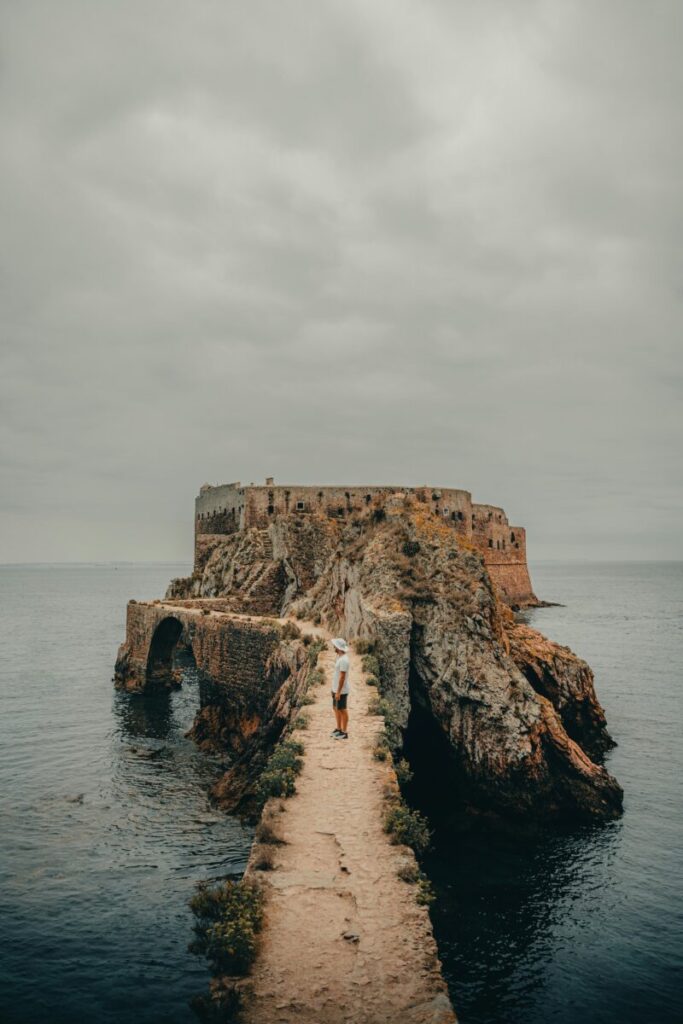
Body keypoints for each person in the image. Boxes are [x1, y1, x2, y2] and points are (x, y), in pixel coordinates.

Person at [330, 637, 350, 740]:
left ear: (338, 647)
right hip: (335, 688)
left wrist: (338, 692)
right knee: (336, 708)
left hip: (341, 690)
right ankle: (338, 729)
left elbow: (342, 677)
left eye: (335, 646)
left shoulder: (344, 660)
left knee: (342, 709)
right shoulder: (339, 657)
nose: (333, 647)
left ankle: (344, 732)